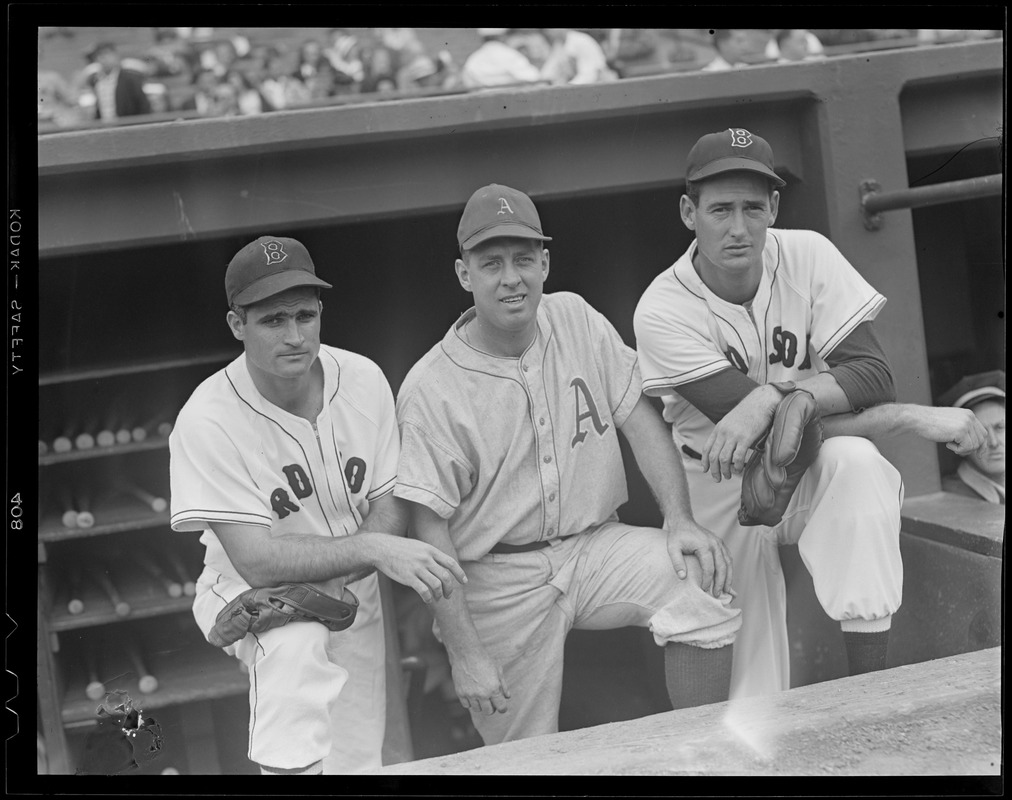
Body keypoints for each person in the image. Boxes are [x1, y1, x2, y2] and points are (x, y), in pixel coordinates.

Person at [394, 184, 741, 746]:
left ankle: (706, 759)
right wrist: (464, 652)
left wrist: (679, 519)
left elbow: (640, 420)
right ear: (464, 275)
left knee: (698, 582)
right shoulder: (431, 388)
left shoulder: (575, 316)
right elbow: (429, 532)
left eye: (524, 260)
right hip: (496, 579)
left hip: (594, 547)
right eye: (492, 264)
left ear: (545, 263)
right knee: (524, 752)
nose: (512, 278)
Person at [633, 127, 969, 699]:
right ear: (689, 213)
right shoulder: (662, 307)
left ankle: (871, 693)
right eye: (720, 210)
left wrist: (770, 395)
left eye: (752, 208)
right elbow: (772, 438)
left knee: (857, 465)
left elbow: (872, 374)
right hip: (715, 480)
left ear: (774, 208)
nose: (738, 227)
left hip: (808, 457)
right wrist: (906, 417)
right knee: (750, 683)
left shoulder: (806, 253)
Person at [169, 235, 467, 775]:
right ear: (237, 325)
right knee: (294, 651)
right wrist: (375, 549)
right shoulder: (207, 419)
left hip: (353, 590)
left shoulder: (362, 379)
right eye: (273, 320)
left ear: (322, 312)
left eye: (305, 315)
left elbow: (387, 498)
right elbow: (256, 560)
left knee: (356, 757)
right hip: (253, 588)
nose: (295, 335)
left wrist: (354, 565)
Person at [937, 371, 1005, 503]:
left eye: (1000, 427)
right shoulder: (952, 496)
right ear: (958, 443)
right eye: (980, 431)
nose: (994, 442)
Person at [79, 41, 152, 121]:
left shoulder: (130, 78)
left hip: (128, 126)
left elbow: (143, 106)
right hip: (106, 127)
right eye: (99, 56)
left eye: (106, 54)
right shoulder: (96, 80)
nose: (103, 59)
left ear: (115, 55)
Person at [460, 29, 543, 89]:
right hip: (513, 106)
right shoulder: (510, 55)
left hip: (484, 108)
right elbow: (535, 79)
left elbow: (469, 85)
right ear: (502, 36)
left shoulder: (473, 59)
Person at [540, 28, 618, 84]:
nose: (548, 32)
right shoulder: (558, 45)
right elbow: (548, 72)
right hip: (580, 90)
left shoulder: (581, 41)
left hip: (601, 87)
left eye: (550, 29)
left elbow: (589, 75)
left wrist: (566, 87)